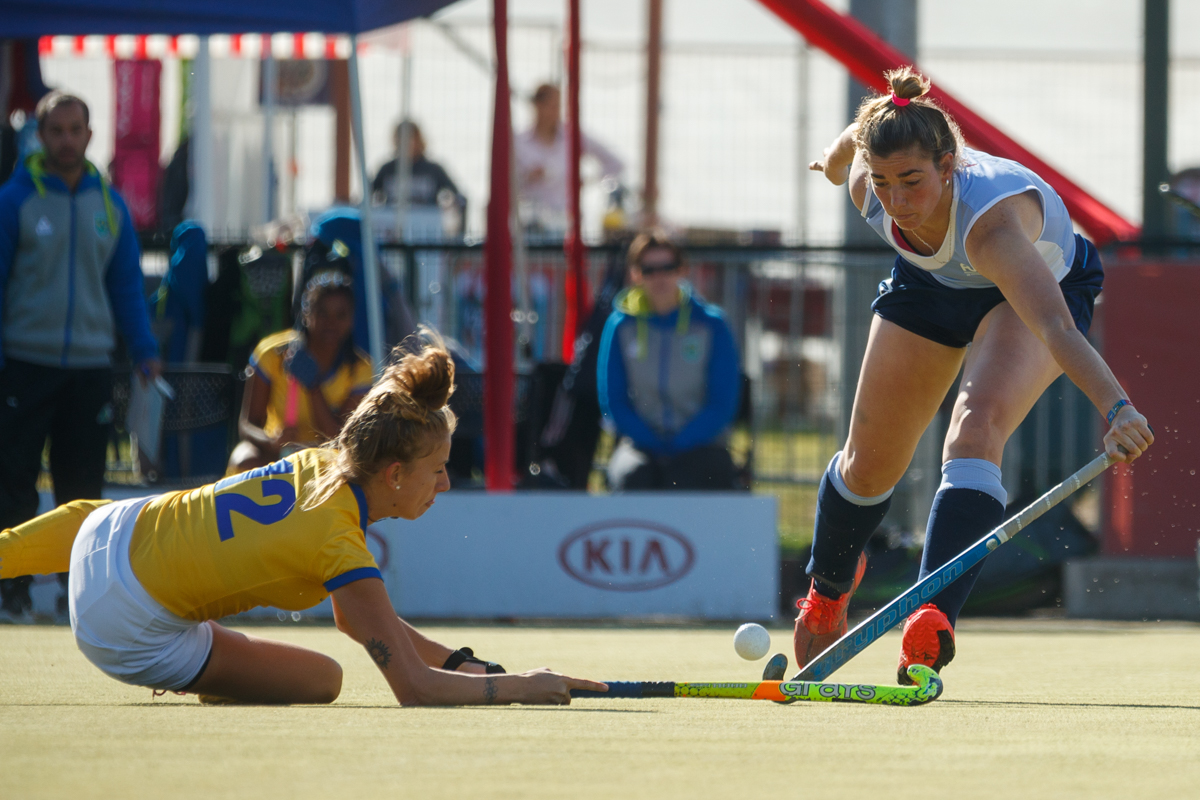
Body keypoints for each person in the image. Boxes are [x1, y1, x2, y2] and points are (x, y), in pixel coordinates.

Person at [0, 334, 606, 705]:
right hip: (118, 627)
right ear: (394, 474)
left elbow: (378, 623)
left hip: (98, 535)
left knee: (118, 522)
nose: (446, 483)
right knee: (323, 680)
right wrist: (523, 685)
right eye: (440, 468)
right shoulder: (339, 540)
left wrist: (456, 660)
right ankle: (196, 666)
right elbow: (413, 689)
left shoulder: (322, 463)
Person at [797, 67, 1154, 683]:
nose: (898, 199)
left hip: (1037, 292)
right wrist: (836, 155)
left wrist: (1117, 408)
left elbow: (1058, 332)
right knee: (867, 464)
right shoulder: (867, 186)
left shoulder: (991, 225)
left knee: (975, 429)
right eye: (884, 182)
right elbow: (850, 152)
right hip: (931, 285)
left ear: (948, 164)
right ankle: (828, 587)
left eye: (912, 179)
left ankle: (931, 614)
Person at [0, 92, 160, 624]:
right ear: (41, 137)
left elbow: (127, 289)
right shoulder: (14, 200)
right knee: (16, 480)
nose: (67, 139)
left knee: (83, 491)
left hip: (91, 368)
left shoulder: (110, 207)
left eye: (76, 129)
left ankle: (80, 598)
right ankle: (12, 593)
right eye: (57, 130)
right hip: (26, 362)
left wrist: (145, 351)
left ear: (90, 135)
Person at [597, 230, 741, 491]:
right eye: (649, 269)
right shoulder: (620, 326)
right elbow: (613, 401)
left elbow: (722, 403)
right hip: (639, 445)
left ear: (682, 270)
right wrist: (651, 443)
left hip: (702, 444)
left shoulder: (712, 325)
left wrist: (679, 444)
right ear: (636, 274)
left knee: (688, 477)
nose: (659, 276)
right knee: (631, 476)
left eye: (667, 267)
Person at [228, 269, 373, 474]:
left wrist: (313, 387)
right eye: (322, 312)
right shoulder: (272, 353)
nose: (331, 323)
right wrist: (272, 442)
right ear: (306, 314)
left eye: (341, 315)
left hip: (326, 462)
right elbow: (246, 425)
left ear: (351, 319)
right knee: (243, 460)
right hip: (276, 456)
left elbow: (341, 440)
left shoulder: (362, 369)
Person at [515, 83, 623, 235]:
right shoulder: (518, 142)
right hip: (529, 222)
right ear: (537, 106)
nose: (555, 112)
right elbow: (506, 182)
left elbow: (615, 163)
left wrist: (587, 180)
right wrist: (527, 177)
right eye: (550, 106)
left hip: (565, 222)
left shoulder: (573, 137)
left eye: (557, 106)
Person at [371, 120, 466, 237]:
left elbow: (459, 197)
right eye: (401, 139)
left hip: (425, 232)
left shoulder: (433, 170)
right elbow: (368, 196)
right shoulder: (387, 169)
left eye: (410, 139)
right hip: (393, 233)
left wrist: (448, 211)